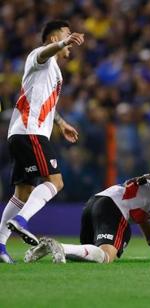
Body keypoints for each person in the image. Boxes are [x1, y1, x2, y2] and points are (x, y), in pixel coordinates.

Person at [0, 20, 85, 263]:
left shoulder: (53, 71)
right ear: (52, 37)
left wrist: (60, 123)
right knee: (55, 182)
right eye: (66, 34)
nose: (71, 40)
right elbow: (46, 52)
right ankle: (21, 221)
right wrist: (62, 43)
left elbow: (45, 102)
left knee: (23, 191)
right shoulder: (39, 55)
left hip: (21, 132)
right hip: (31, 132)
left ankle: (0, 245)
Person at [24, 174, 150, 263]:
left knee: (89, 255)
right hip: (112, 208)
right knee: (106, 256)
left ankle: (50, 248)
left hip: (95, 202)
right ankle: (61, 247)